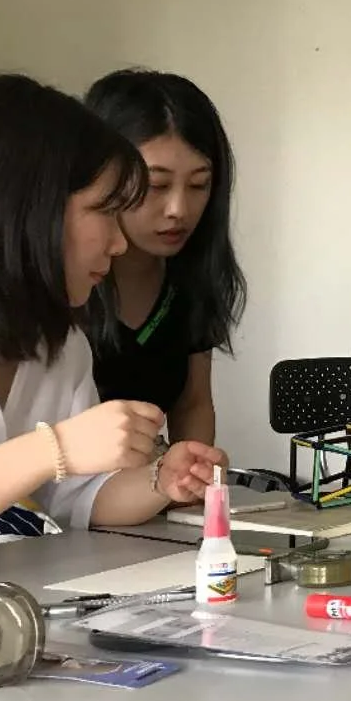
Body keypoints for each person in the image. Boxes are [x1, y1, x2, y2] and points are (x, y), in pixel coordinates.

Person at [0, 75, 226, 583]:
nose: (120, 244)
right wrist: (48, 450)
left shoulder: (59, 342)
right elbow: (52, 460)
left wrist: (160, 480)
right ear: (25, 209)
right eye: (105, 212)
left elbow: (79, 495)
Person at [84, 69, 246, 444]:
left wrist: (197, 484)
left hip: (142, 491)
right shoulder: (63, 282)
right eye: (156, 185)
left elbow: (193, 405)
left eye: (198, 185)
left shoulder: (190, 279)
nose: (178, 209)